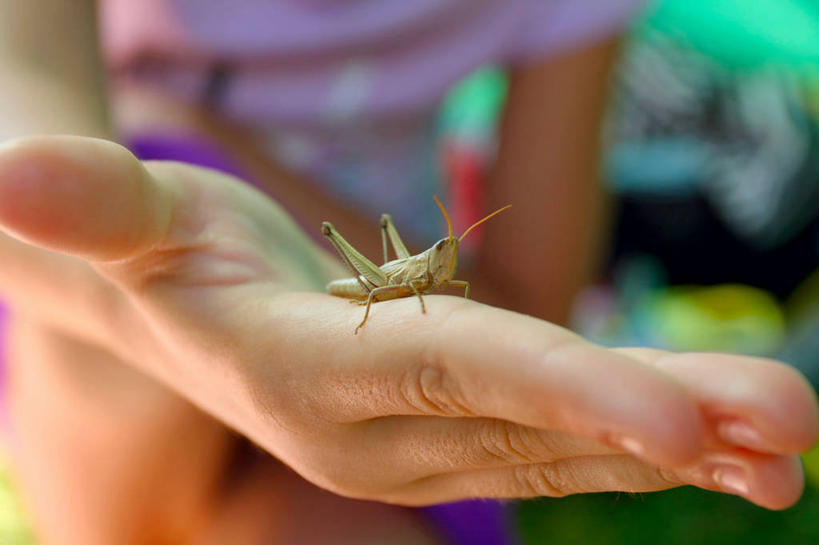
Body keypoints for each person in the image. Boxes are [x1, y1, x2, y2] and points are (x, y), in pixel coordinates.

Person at [0, 1, 816, 544]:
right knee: (137, 223)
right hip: (82, 326)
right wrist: (174, 141)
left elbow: (527, 303)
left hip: (346, 360)